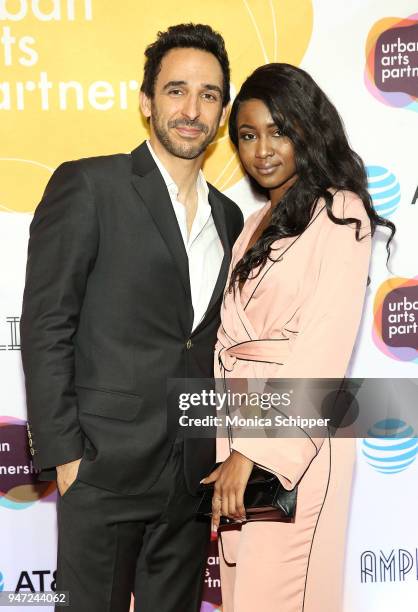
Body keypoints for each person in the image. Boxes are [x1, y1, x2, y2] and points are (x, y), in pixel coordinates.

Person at [20, 23, 243, 612]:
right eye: (176, 91)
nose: (192, 109)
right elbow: (47, 325)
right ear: (146, 102)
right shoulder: (90, 185)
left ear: (222, 112)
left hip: (191, 477)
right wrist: (66, 456)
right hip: (102, 469)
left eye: (209, 95)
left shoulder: (230, 218)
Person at [202, 63, 395, 612]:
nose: (261, 150)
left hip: (297, 442)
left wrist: (253, 450)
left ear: (307, 131)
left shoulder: (340, 211)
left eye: (277, 131)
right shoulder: (251, 226)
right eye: (246, 135)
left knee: (285, 598)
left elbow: (321, 346)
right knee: (246, 598)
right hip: (241, 431)